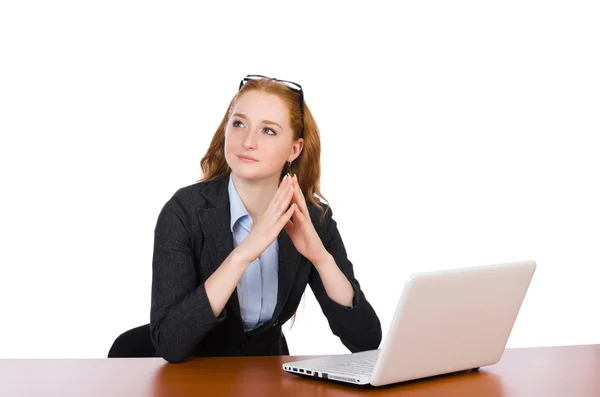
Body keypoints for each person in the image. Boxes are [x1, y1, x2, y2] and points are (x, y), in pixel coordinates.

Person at [150, 74, 382, 363]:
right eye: (239, 124)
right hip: (195, 377)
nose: (247, 142)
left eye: (268, 131)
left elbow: (366, 341)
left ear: (294, 149)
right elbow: (169, 343)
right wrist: (244, 253)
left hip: (269, 377)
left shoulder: (313, 218)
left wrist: (321, 258)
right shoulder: (184, 211)